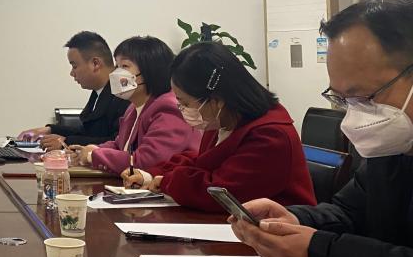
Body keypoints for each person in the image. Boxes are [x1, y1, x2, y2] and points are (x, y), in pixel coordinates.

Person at [231, 0, 413, 257]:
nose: (355, 115)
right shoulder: (392, 148)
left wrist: (321, 256)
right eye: (342, 99)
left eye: (365, 96)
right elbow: (349, 213)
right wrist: (294, 221)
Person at [121, 42, 316, 211]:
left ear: (217, 100)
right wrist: (150, 175)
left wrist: (166, 181)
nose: (182, 110)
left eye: (185, 103)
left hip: (275, 234)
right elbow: (200, 162)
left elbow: (221, 192)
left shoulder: (271, 135)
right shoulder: (222, 120)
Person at [69, 36, 198, 175]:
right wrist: (92, 149)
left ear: (150, 70)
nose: (115, 73)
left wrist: (93, 155)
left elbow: (147, 162)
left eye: (124, 66)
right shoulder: (133, 108)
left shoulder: (169, 108)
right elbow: (120, 145)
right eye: (117, 66)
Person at [18, 31, 130, 150]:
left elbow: (117, 142)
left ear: (95, 64)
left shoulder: (124, 94)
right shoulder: (100, 91)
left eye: (74, 66)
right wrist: (50, 130)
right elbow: (87, 132)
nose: (72, 73)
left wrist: (66, 142)